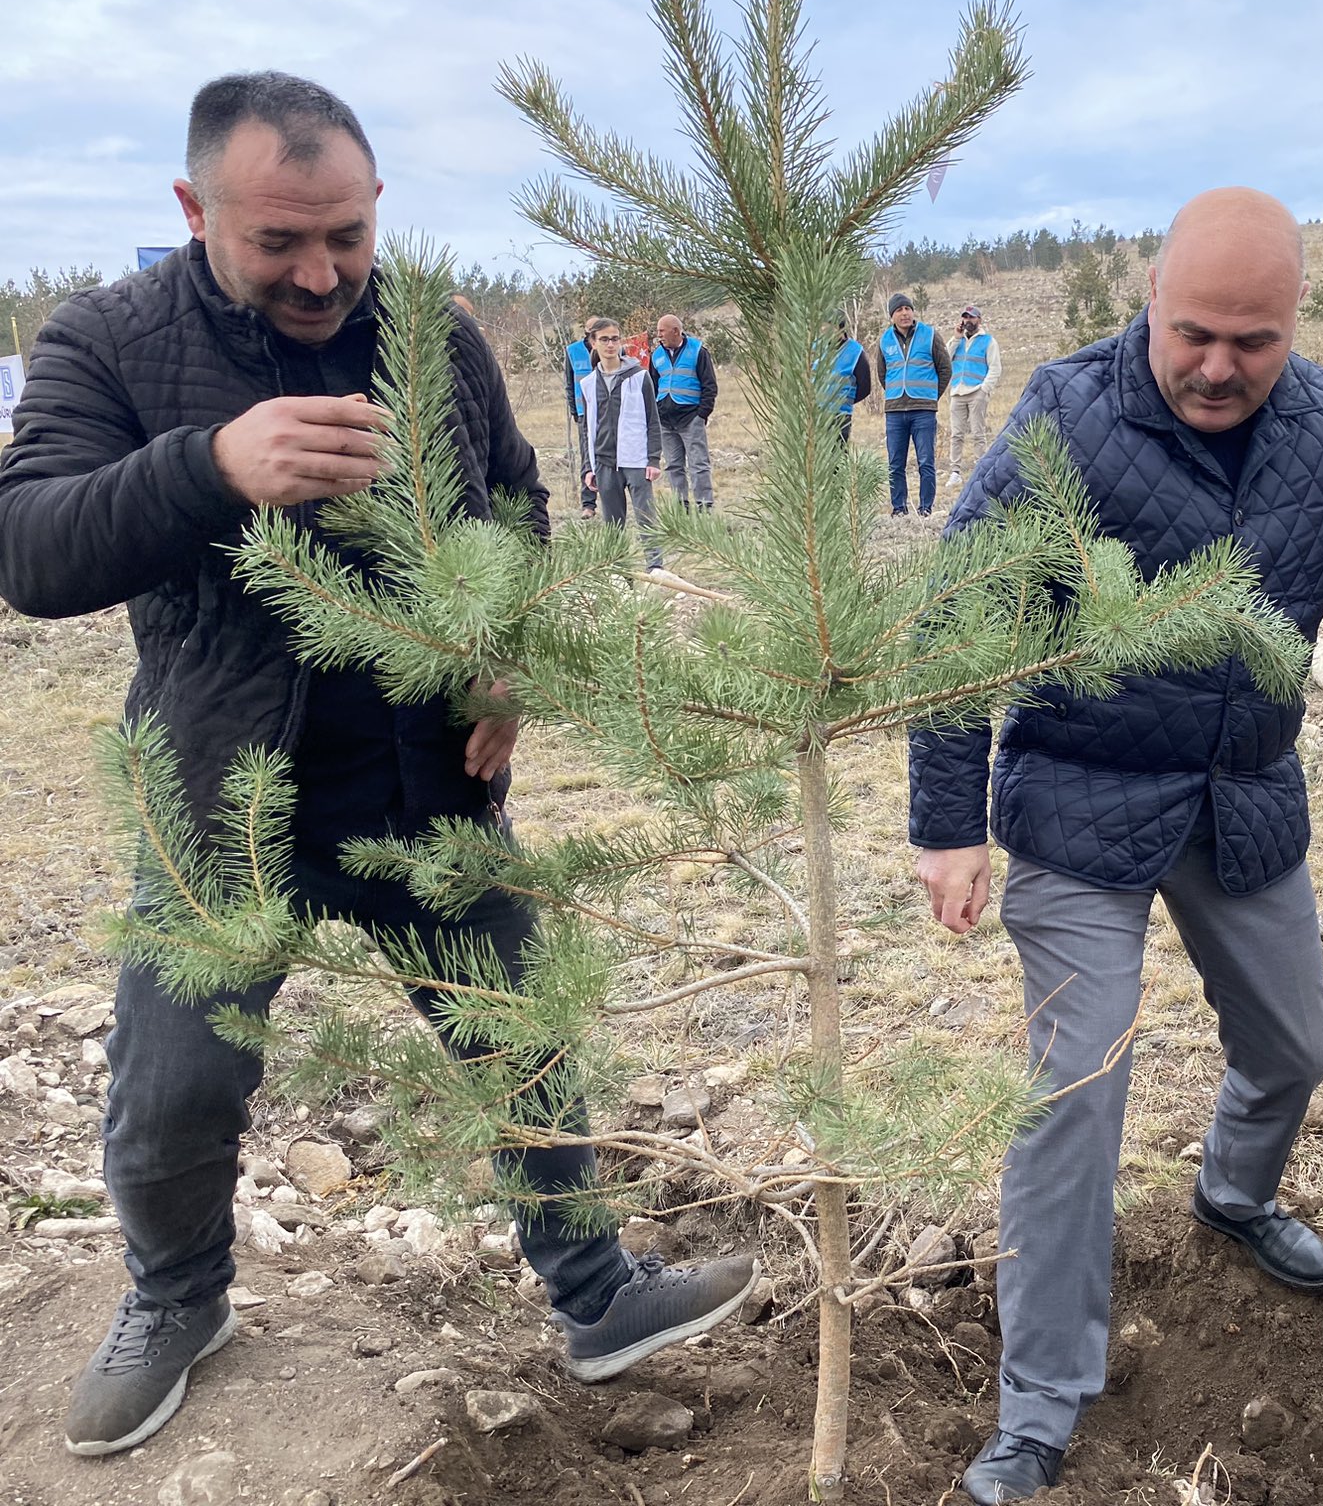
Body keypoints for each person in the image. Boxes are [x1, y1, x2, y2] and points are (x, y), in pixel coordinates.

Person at [0, 73, 758, 1457]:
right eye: (279, 241)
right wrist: (209, 468)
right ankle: (177, 1299)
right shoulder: (104, 341)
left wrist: (508, 651)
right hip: (222, 800)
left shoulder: (430, 334)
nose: (322, 271)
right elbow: (30, 548)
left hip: (424, 784)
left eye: (345, 234)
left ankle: (596, 1294)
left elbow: (517, 502)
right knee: (173, 1092)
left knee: (518, 1038)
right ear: (193, 211)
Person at [909, 187, 1323, 1505]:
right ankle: (1044, 1399)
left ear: (1293, 330)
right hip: (1078, 801)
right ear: (1152, 301)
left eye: (1254, 340)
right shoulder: (1063, 418)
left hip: (1240, 794)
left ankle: (1233, 1192)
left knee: (1296, 1046)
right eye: (1196, 332)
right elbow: (957, 621)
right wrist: (947, 825)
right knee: (1077, 1092)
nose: (1220, 365)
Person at [580, 319, 665, 568]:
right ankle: (620, 572)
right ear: (593, 343)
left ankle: (655, 567)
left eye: (615, 338)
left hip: (636, 460)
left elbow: (653, 420)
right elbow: (587, 430)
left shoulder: (639, 376)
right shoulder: (587, 384)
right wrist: (588, 467)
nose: (610, 344)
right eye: (604, 339)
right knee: (613, 526)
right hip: (605, 463)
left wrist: (653, 459)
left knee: (647, 518)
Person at [874, 292, 951, 515]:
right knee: (895, 463)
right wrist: (896, 393)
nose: (904, 313)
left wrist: (930, 397)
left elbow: (945, 369)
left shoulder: (930, 335)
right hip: (895, 411)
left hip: (923, 411)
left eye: (907, 308)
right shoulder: (884, 340)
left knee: (926, 461)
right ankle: (899, 508)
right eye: (899, 310)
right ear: (892, 316)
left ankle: (925, 507)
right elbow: (882, 374)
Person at [650, 312, 719, 509]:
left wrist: (702, 414)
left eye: (662, 331)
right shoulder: (656, 355)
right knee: (673, 466)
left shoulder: (698, 351)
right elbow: (652, 387)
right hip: (665, 421)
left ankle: (704, 506)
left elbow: (710, 386)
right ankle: (681, 508)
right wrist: (656, 413)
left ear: (676, 331)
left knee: (698, 465)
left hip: (691, 418)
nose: (659, 335)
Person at [946, 304, 1002, 488]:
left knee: (978, 433)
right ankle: (955, 472)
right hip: (957, 391)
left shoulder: (988, 341)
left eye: (972, 317)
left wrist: (984, 389)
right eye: (965, 317)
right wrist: (956, 338)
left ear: (979, 319)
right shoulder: (957, 339)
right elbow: (945, 359)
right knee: (956, 434)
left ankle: (980, 469)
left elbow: (995, 368)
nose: (968, 321)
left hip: (976, 391)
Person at [565, 315, 601, 518]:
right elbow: (569, 384)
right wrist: (574, 411)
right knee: (587, 458)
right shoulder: (572, 351)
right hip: (583, 413)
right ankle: (588, 505)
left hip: (607, 411)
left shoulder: (612, 348)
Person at [826, 315, 871, 447]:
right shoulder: (817, 348)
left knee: (838, 457)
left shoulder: (855, 352)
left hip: (840, 415)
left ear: (840, 329)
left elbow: (865, 386)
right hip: (817, 414)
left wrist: (846, 399)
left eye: (829, 326)